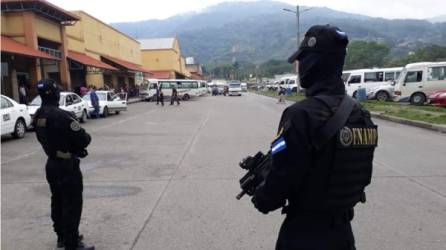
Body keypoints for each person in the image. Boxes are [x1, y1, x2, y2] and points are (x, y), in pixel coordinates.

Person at [251, 25, 378, 250]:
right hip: (343, 235)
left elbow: (282, 174)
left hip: (304, 235)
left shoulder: (302, 114)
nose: (299, 68)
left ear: (313, 63)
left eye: (301, 61)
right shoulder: (361, 115)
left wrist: (262, 197)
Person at [33, 79, 95, 250]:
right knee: (72, 204)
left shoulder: (38, 115)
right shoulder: (61, 115)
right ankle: (72, 243)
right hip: (66, 166)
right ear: (54, 93)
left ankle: (62, 236)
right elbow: (84, 139)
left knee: (58, 201)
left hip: (52, 163)